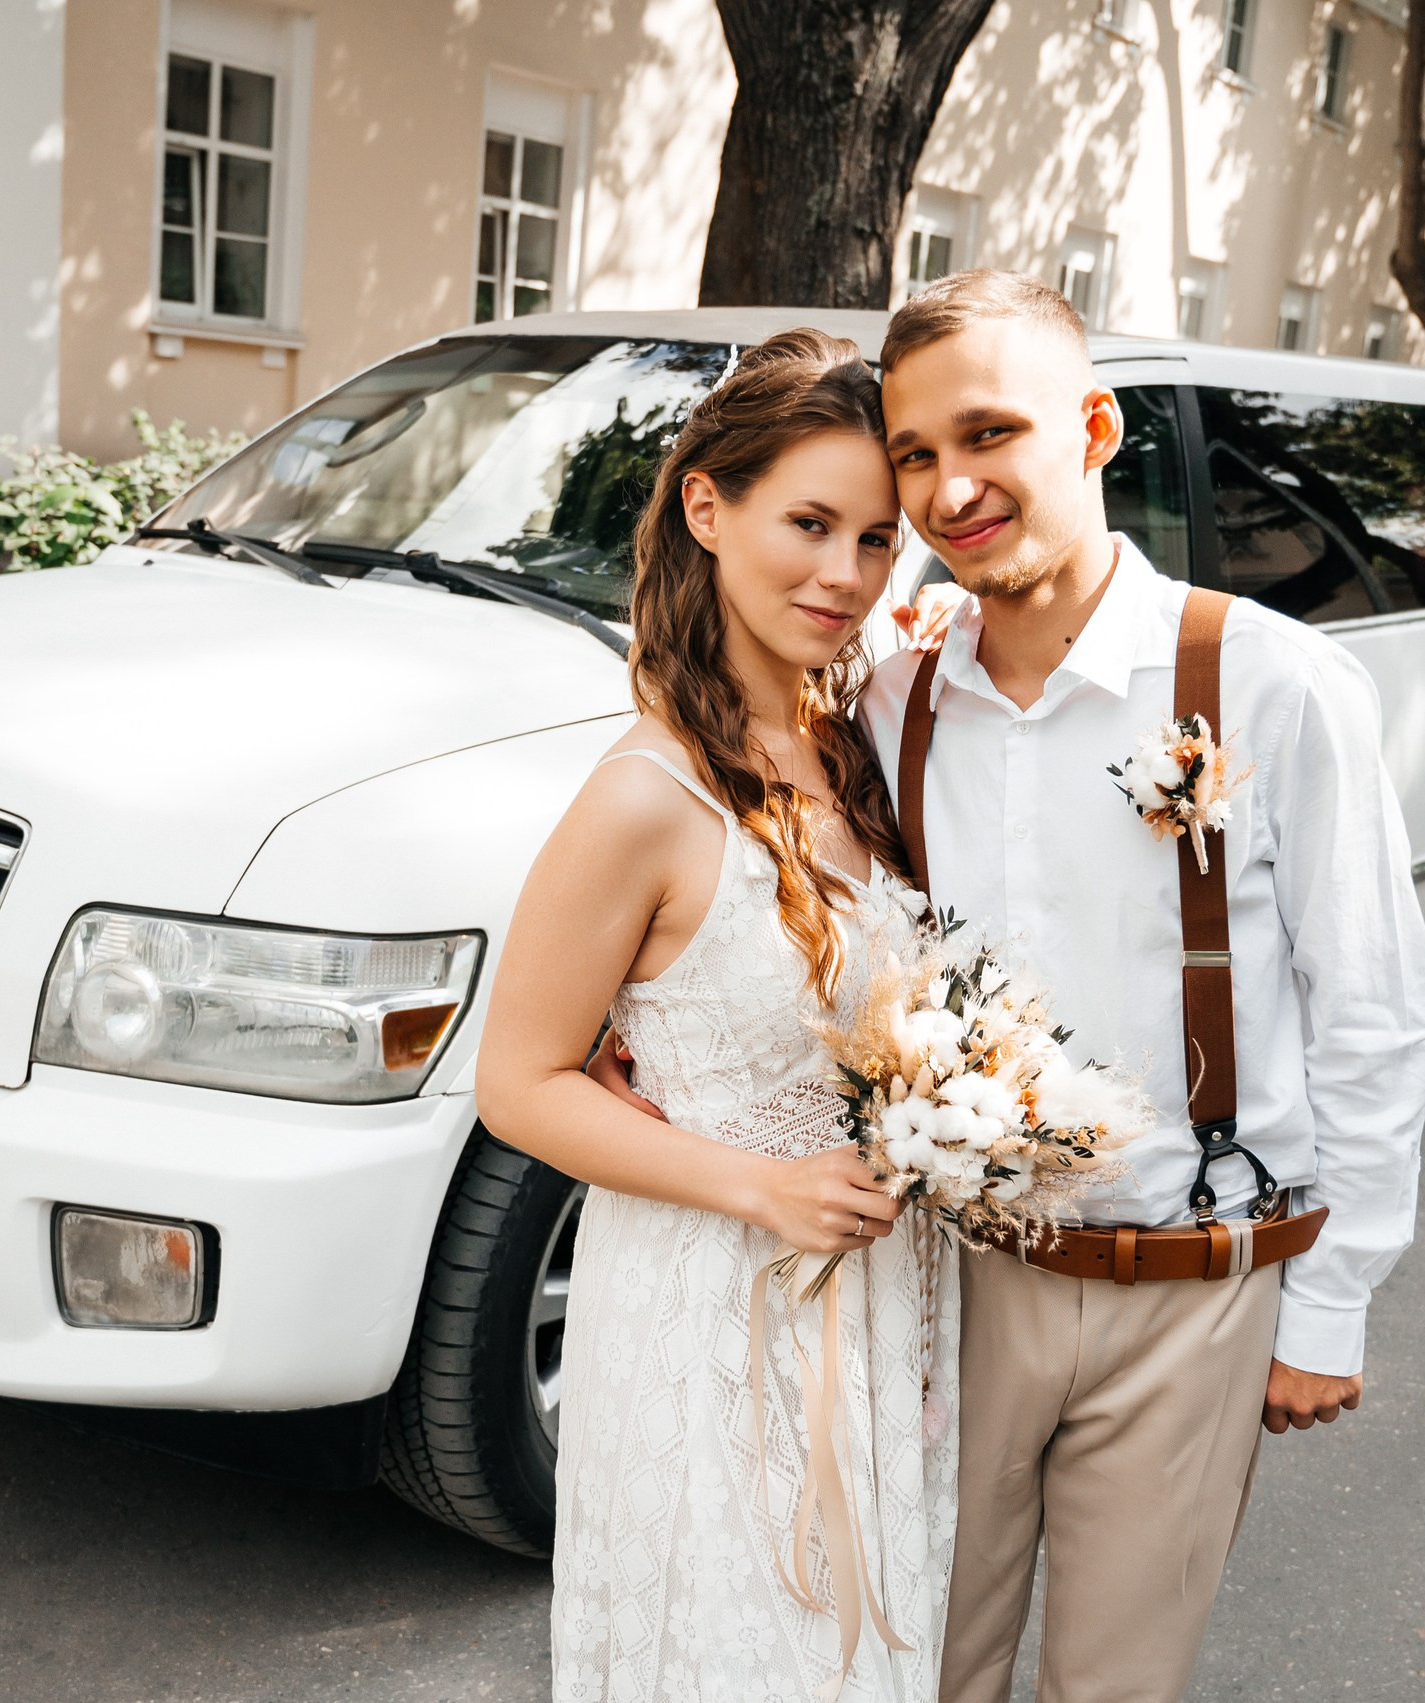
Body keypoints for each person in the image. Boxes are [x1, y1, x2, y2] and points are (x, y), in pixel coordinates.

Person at [858, 270, 1425, 1703]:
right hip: (953, 1282)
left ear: (1097, 427)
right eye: (915, 456)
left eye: (988, 435)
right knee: (918, 1666)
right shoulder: (894, 691)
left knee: (1111, 1688)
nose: (949, 488)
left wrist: (1333, 1303)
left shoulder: (1272, 683)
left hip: (1191, 1286)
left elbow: (1371, 1004)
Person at [476, 328, 958, 1703]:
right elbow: (520, 1084)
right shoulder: (644, 796)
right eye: (809, 523)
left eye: (876, 540)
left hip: (885, 1303)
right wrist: (760, 1187)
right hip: (714, 1309)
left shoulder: (859, 742)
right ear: (708, 506)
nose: (845, 576)